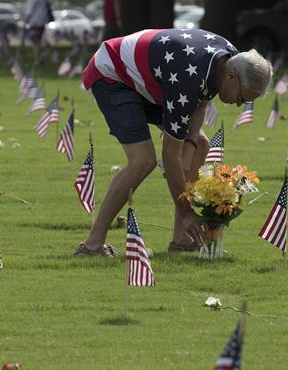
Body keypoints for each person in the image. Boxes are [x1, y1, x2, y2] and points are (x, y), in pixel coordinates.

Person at [74, 29, 273, 257]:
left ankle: (182, 239)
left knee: (200, 145)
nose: (239, 105)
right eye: (241, 98)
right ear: (232, 77)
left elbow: (202, 102)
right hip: (113, 73)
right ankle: (92, 246)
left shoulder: (229, 59)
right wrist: (187, 211)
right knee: (143, 160)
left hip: (153, 78)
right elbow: (170, 155)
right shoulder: (190, 78)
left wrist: (188, 148)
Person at [24, 0, 53, 65]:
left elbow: (29, 12)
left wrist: (24, 21)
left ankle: (37, 60)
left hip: (34, 23)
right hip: (42, 22)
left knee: (36, 43)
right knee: (38, 42)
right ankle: (40, 58)